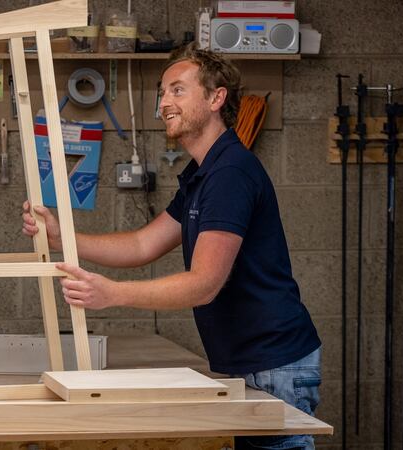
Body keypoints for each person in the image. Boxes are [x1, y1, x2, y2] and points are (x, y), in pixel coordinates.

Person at [22, 43, 321, 450]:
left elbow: (204, 284)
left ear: (216, 98)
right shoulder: (204, 173)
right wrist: (62, 239)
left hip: (275, 364)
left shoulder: (230, 173)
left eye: (177, 90)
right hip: (251, 362)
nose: (164, 103)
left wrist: (111, 294)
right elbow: (144, 243)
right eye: (162, 93)